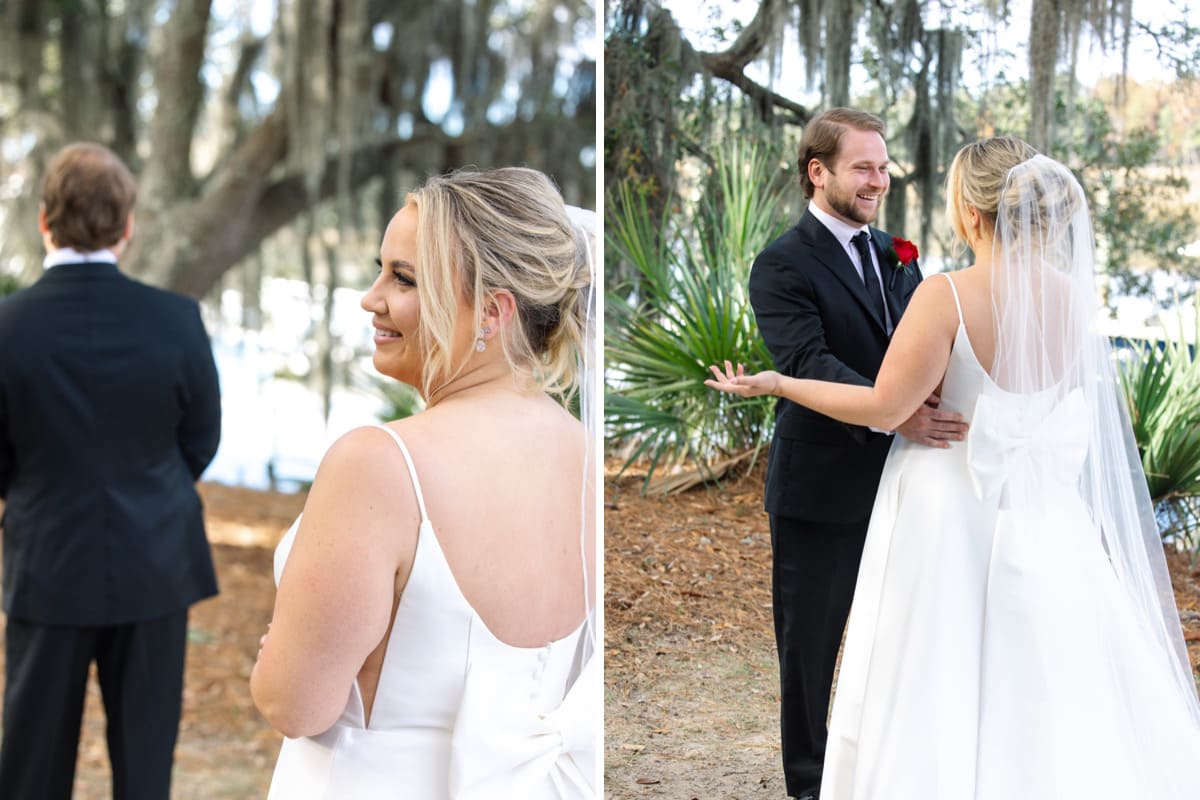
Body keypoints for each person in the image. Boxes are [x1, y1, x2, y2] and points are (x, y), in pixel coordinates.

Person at [709, 137, 1200, 798]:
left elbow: (886, 404)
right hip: (1045, 511)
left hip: (945, 502)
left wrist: (779, 384)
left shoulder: (947, 294)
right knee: (1046, 665)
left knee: (933, 661)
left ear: (972, 212)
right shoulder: (1074, 299)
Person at [250, 166, 598, 799]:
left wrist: (280, 654)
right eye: (381, 269)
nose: (371, 297)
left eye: (404, 278)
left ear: (492, 311)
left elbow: (294, 703)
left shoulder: (379, 464)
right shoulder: (585, 461)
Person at [746, 106, 967, 799]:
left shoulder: (900, 255)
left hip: (912, 484)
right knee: (811, 648)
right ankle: (809, 786)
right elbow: (806, 361)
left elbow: (923, 348)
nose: (881, 180)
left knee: (893, 635)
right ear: (819, 173)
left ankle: (873, 772)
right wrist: (896, 413)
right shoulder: (782, 264)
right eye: (864, 168)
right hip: (821, 485)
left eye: (884, 166)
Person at [0, 142, 222, 798]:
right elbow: (201, 440)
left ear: (45, 220)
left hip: (47, 563)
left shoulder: (6, 326)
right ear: (128, 226)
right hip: (156, 566)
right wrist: (148, 491)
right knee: (146, 768)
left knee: (30, 771)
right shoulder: (177, 321)